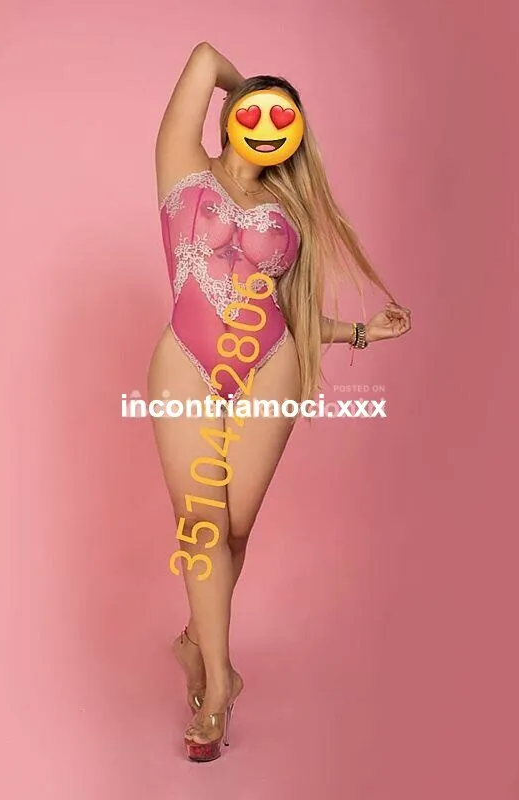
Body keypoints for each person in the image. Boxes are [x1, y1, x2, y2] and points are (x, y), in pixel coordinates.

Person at [147, 41, 412, 762]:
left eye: (283, 120)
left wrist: (360, 332)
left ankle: (196, 641)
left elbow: (290, 312)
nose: (268, 128)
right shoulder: (183, 167)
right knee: (201, 524)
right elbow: (204, 58)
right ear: (232, 117)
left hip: (271, 367)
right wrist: (251, 90)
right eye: (256, 115)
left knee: (232, 530)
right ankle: (219, 685)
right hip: (184, 362)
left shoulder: (288, 210)